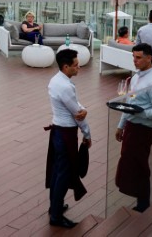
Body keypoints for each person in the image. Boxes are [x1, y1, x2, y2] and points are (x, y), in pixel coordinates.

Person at [114, 43, 152, 213]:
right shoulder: (136, 77)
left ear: (149, 58)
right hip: (131, 126)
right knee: (130, 160)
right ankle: (138, 196)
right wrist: (121, 125)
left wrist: (139, 113)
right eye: (133, 57)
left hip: (143, 130)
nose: (134, 61)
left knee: (140, 164)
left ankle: (143, 203)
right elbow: (130, 103)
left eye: (138, 58)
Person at [45, 48, 91, 229]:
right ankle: (56, 216)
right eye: (76, 65)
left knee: (57, 171)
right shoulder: (65, 86)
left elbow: (75, 105)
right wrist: (87, 135)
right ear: (66, 67)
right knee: (63, 175)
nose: (79, 68)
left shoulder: (56, 80)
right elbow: (77, 114)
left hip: (57, 131)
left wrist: (83, 108)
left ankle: (54, 207)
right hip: (66, 135)